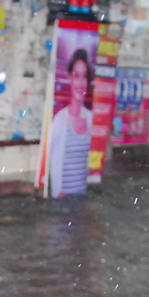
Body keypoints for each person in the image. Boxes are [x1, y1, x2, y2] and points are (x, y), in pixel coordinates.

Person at [48, 48, 94, 197]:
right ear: (69, 78)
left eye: (84, 77)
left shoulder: (91, 119)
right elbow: (47, 159)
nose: (80, 83)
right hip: (63, 203)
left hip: (83, 199)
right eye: (76, 76)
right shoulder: (60, 121)